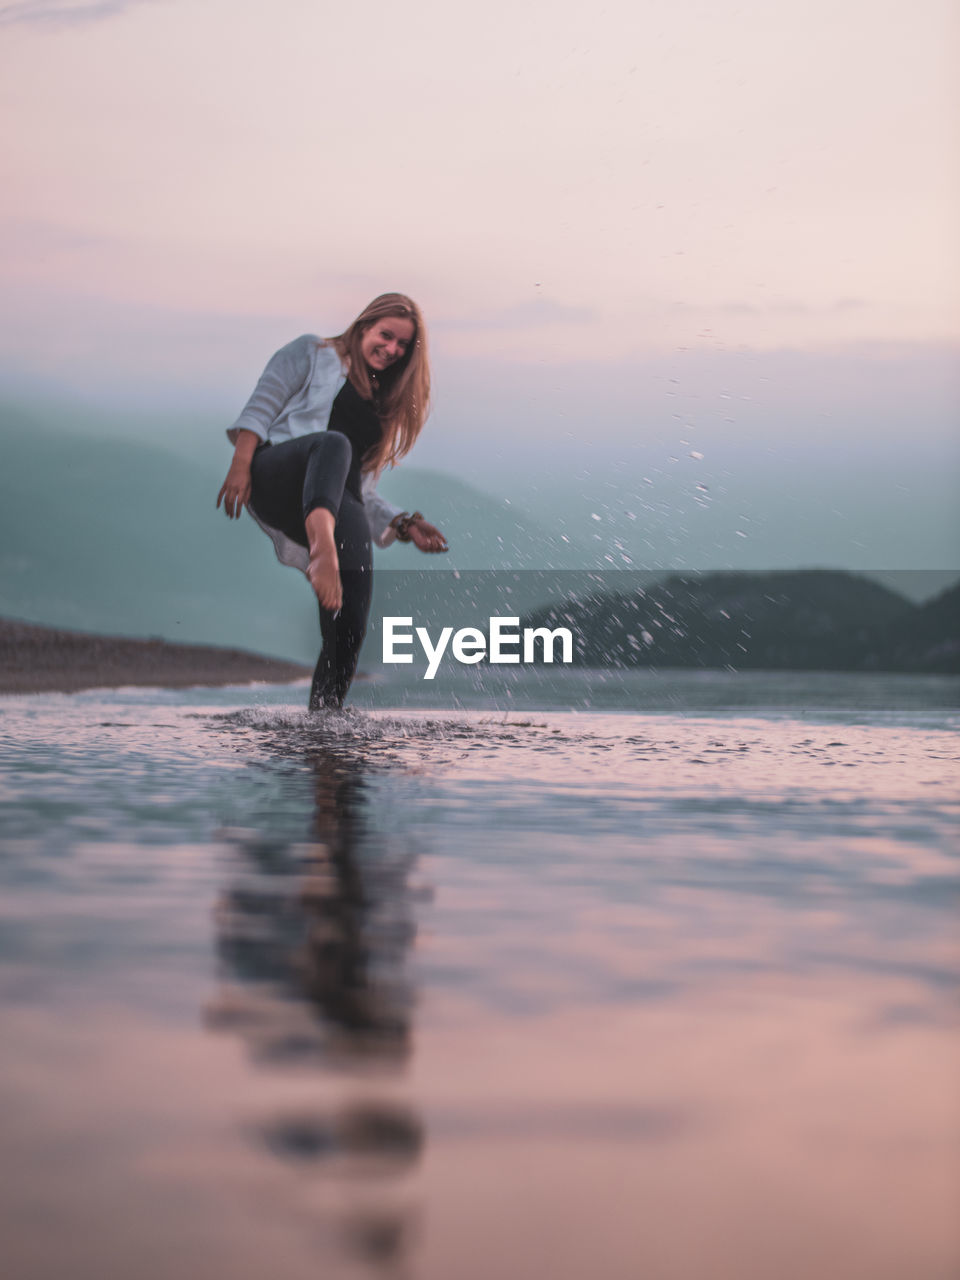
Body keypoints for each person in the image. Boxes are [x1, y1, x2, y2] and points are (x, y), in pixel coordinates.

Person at [217, 293, 447, 710]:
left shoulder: (381, 409)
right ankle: (321, 550)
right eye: (386, 335)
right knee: (333, 443)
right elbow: (260, 407)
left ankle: (325, 726)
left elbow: (361, 489)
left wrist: (403, 523)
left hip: (331, 497)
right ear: (363, 326)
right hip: (278, 475)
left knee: (351, 624)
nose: (392, 349)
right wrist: (240, 463)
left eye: (403, 345)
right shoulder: (313, 352)